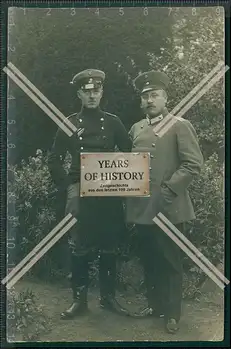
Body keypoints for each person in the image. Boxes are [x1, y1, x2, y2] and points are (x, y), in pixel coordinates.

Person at [48, 69, 132, 319]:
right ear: (79, 94)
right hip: (80, 189)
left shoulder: (114, 122)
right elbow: (54, 159)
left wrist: (123, 178)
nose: (92, 96)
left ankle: (108, 299)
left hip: (108, 188)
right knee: (79, 245)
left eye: (96, 91)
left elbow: (129, 154)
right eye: (87, 92)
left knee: (109, 245)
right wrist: (67, 185)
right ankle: (79, 301)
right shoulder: (69, 123)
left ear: (102, 93)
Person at [126, 70, 204, 334]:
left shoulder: (180, 125)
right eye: (145, 96)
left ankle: (172, 314)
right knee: (149, 258)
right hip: (141, 207)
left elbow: (193, 164)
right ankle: (155, 305)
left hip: (169, 207)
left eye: (154, 95)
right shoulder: (136, 128)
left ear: (165, 97)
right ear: (141, 101)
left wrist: (169, 191)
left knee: (170, 261)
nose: (150, 100)